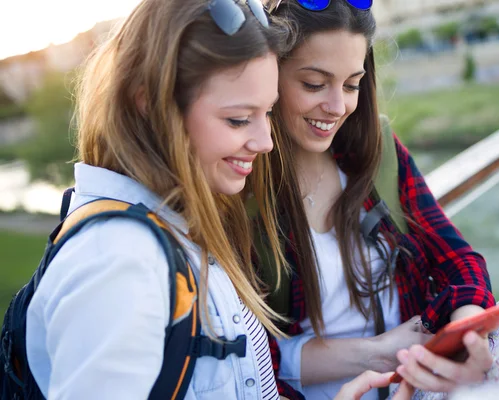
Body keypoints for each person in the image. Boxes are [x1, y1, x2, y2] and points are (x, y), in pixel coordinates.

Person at [20, 0, 414, 399]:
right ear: (150, 104)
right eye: (239, 119)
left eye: (268, 113)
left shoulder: (178, 230)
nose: (264, 142)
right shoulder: (120, 263)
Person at [256, 1, 497, 399]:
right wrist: (377, 353)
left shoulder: (378, 151)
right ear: (269, 75)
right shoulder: (237, 190)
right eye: (314, 83)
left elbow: (458, 259)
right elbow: (248, 358)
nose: (337, 107)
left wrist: (468, 333)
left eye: (351, 85)